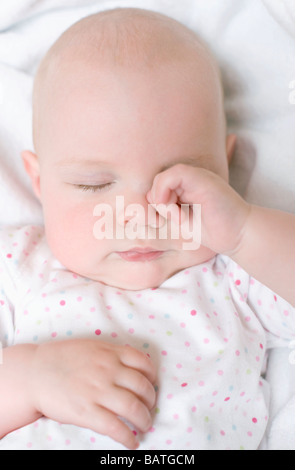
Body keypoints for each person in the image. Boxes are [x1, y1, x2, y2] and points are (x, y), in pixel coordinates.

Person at [0, 7, 294, 450]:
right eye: (93, 185)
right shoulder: (20, 267)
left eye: (180, 179)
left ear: (225, 168)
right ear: (40, 183)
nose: (140, 216)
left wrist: (245, 230)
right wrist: (29, 376)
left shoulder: (236, 273)